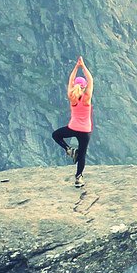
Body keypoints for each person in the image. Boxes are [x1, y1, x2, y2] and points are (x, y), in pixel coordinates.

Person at [52, 56, 94, 188]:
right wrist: (83, 66)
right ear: (84, 86)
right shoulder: (86, 98)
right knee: (82, 154)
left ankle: (69, 149)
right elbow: (91, 80)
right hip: (85, 131)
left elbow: (70, 80)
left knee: (56, 135)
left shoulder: (72, 97)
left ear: (75, 85)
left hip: (73, 128)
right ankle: (78, 178)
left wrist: (76, 67)